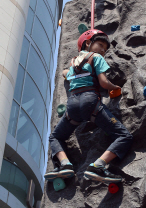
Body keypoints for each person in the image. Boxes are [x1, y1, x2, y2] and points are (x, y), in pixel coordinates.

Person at [44, 29, 133, 184]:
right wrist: (115, 87)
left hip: (72, 106)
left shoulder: (73, 62)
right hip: (90, 104)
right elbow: (103, 82)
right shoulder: (96, 58)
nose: (103, 50)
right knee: (124, 136)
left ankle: (65, 164)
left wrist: (66, 73)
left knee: (55, 136)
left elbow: (66, 74)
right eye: (100, 45)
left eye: (105, 48)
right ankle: (98, 166)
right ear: (88, 43)